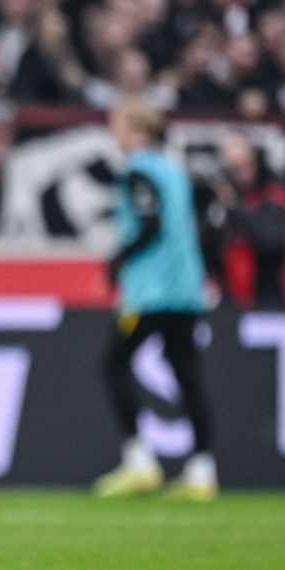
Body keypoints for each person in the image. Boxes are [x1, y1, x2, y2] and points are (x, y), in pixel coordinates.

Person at [94, 99, 217, 501]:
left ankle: (140, 462)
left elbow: (150, 224)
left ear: (137, 131)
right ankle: (202, 472)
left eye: (118, 126)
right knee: (187, 375)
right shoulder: (174, 170)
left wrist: (116, 262)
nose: (115, 134)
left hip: (151, 294)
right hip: (187, 291)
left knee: (113, 366)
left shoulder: (139, 170)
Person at [210, 135, 285, 308]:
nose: (241, 171)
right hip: (235, 296)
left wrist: (235, 206)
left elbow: (271, 240)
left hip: (275, 296)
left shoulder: (274, 193)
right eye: (233, 167)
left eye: (244, 163)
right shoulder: (225, 201)